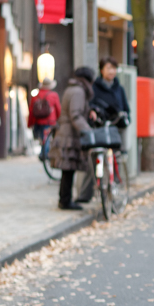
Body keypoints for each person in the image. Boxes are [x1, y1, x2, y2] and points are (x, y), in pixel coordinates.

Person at [49, 68, 94, 210]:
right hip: (70, 135)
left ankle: (64, 199)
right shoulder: (78, 91)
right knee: (68, 169)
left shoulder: (72, 89)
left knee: (67, 169)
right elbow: (75, 114)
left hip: (66, 132)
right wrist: (88, 131)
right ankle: (65, 201)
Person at [28, 78, 61, 161]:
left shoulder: (36, 95)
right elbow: (58, 109)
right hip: (49, 121)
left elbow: (31, 110)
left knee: (42, 138)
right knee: (46, 138)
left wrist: (30, 123)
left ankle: (43, 153)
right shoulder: (53, 95)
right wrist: (59, 120)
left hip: (38, 121)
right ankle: (44, 154)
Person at [91, 56, 131, 124]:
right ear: (101, 70)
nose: (111, 71)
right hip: (101, 127)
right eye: (108, 68)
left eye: (114, 68)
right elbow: (91, 105)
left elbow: (126, 108)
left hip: (119, 126)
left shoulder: (119, 88)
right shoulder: (94, 87)